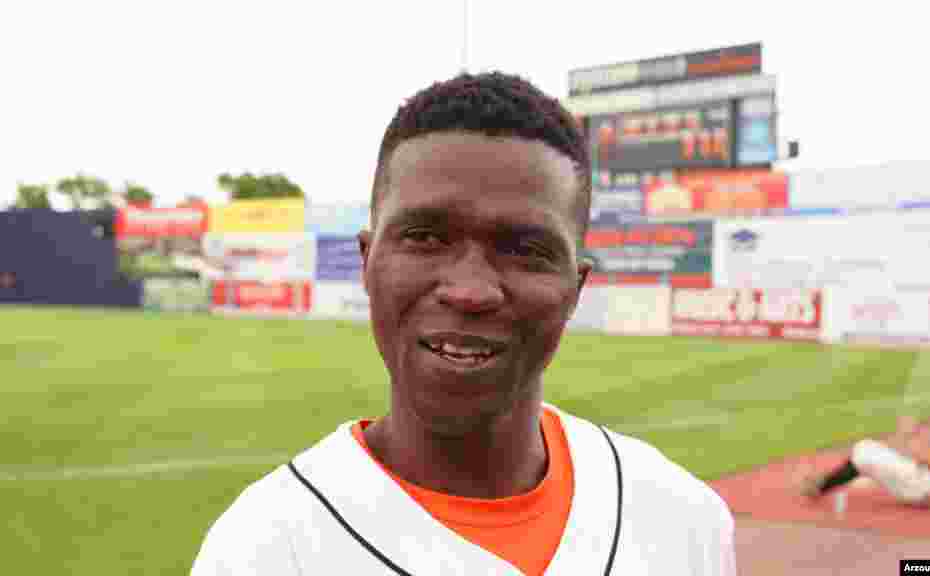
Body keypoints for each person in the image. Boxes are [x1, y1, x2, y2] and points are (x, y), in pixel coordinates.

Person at [190, 72, 736, 575]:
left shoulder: (684, 520)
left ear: (576, 288)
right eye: (425, 237)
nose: (470, 291)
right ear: (366, 261)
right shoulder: (262, 549)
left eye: (526, 250)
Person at [799, 420, 930, 511]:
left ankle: (820, 486)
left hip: (918, 483)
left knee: (865, 458)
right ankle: (821, 485)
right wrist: (917, 449)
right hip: (915, 474)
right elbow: (929, 455)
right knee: (866, 447)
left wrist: (911, 438)